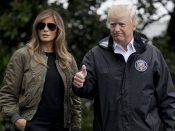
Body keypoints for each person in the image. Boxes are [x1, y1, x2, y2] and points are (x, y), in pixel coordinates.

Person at [72, 2, 175, 131]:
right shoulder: (95, 55)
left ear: (133, 25)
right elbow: (87, 90)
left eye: (121, 24)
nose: (116, 29)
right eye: (113, 24)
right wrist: (80, 83)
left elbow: (167, 98)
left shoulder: (152, 54)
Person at [0, 9, 81, 131]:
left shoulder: (68, 60)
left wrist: (76, 127)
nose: (45, 29)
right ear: (36, 29)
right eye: (41, 25)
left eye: (51, 26)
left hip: (62, 127)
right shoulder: (23, 55)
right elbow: (7, 93)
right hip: (32, 125)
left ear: (58, 30)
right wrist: (17, 119)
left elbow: (75, 99)